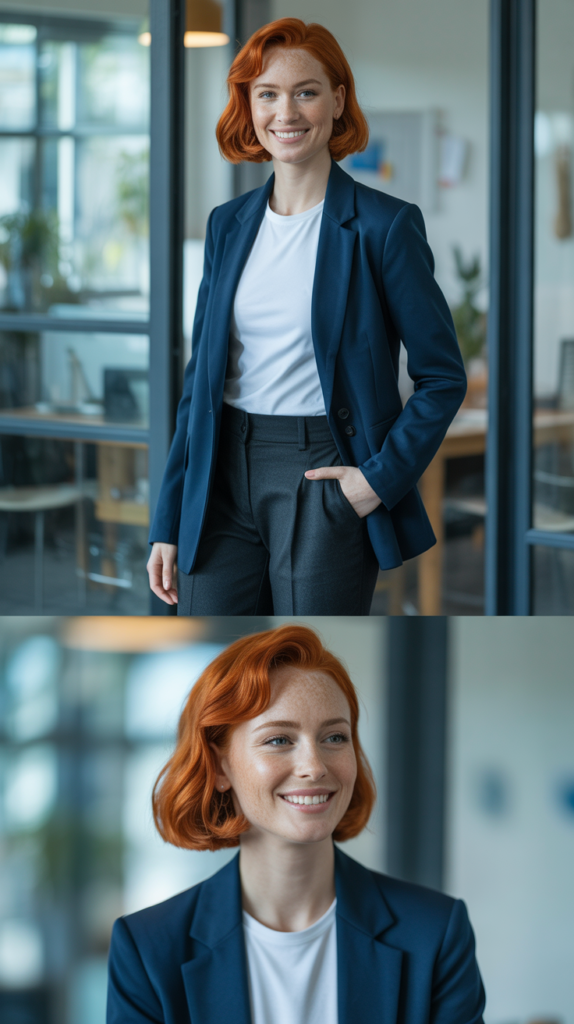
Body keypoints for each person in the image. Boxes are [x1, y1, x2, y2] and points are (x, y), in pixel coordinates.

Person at [146, 18, 467, 616]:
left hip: (321, 472)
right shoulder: (228, 223)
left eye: (306, 91)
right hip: (218, 472)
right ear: (248, 104)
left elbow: (443, 377)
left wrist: (375, 482)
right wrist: (167, 517)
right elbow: (200, 384)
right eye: (266, 93)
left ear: (338, 100)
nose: (285, 112)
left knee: (308, 647)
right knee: (214, 648)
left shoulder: (384, 226)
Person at [107, 625, 485, 1024]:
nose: (315, 767)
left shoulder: (435, 932)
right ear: (220, 766)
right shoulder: (147, 949)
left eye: (335, 738)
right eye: (279, 740)